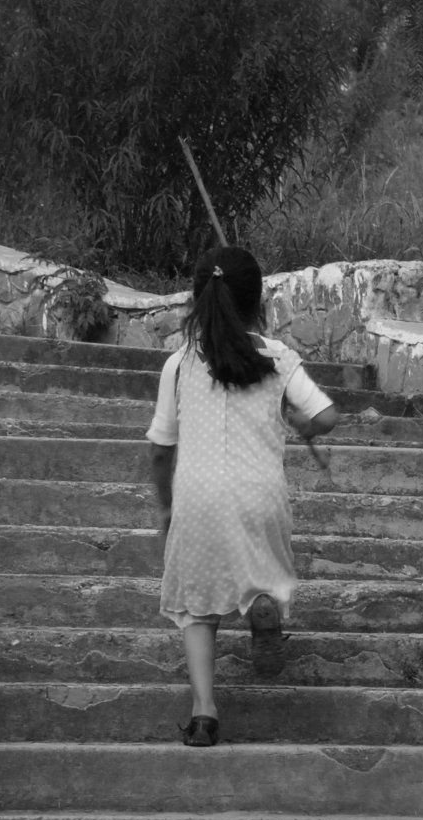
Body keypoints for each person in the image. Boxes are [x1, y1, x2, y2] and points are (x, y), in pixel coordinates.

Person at [146, 245, 340, 748]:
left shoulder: (179, 366)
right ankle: (261, 601)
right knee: (263, 573)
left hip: (197, 496)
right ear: (259, 303)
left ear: (199, 299)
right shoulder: (276, 359)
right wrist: (298, 422)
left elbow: (160, 449)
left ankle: (205, 712)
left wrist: (166, 506)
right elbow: (326, 416)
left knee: (196, 608)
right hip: (262, 494)